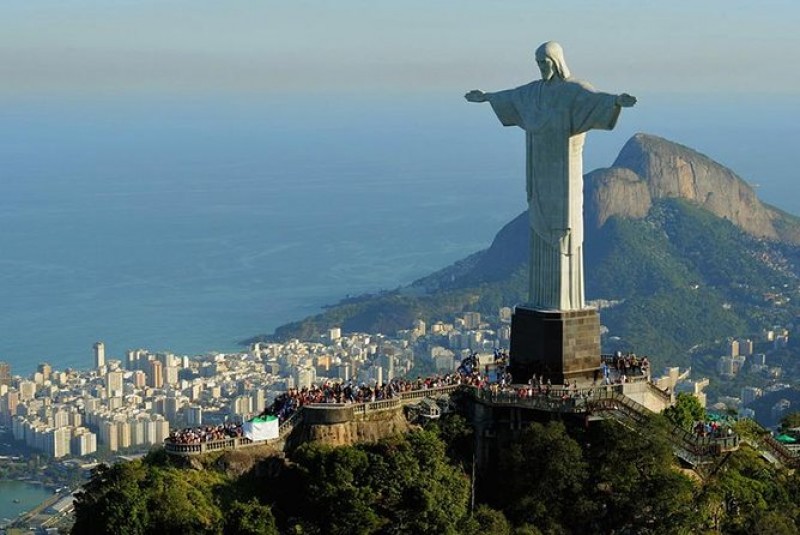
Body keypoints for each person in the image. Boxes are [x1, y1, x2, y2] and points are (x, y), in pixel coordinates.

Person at [466, 41, 636, 310]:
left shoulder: (573, 91)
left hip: (564, 173)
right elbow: (511, 96)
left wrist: (616, 102)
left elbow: (596, 100)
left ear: (556, 62)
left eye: (544, 62)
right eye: (537, 63)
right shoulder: (534, 92)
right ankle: (543, 300)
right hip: (539, 170)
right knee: (539, 224)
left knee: (565, 226)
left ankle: (566, 302)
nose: (541, 67)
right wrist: (487, 97)